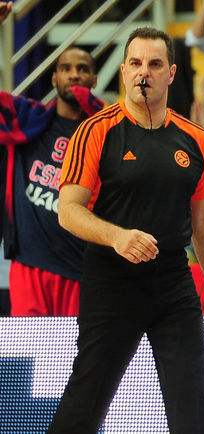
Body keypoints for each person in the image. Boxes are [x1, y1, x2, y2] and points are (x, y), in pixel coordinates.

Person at [48, 27, 204, 433]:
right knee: (85, 402)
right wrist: (117, 236)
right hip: (111, 280)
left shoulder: (195, 138)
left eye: (154, 64)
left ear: (171, 74)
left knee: (194, 405)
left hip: (172, 280)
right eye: (135, 63)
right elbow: (68, 210)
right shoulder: (96, 130)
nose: (143, 73)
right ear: (123, 72)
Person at [0, 42, 103, 316]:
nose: (74, 75)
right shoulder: (26, 119)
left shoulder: (106, 134)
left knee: (75, 345)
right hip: (29, 265)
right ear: (54, 78)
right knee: (29, 343)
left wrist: (96, 111)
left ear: (94, 80)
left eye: (83, 69)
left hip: (81, 270)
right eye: (65, 69)